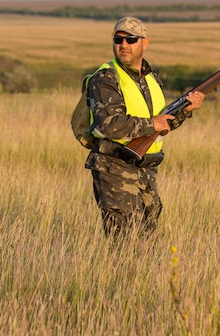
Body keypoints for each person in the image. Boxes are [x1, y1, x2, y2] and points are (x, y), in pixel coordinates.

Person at [85, 16, 204, 237]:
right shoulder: (105, 78)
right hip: (115, 169)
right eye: (118, 40)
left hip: (146, 170)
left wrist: (185, 112)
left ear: (145, 43)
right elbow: (109, 124)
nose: (123, 45)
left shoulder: (151, 78)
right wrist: (151, 124)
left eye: (131, 39)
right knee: (124, 244)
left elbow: (161, 124)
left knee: (147, 241)